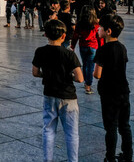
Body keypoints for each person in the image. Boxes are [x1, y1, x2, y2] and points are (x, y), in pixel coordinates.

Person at [32, 19, 83, 162]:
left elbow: (35, 72)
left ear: (46, 35)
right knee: (72, 133)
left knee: (48, 130)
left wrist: (46, 74)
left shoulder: (40, 51)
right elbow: (80, 78)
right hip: (68, 98)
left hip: (49, 95)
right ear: (63, 36)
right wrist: (69, 76)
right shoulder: (69, 54)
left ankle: (47, 160)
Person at [94, 14, 132, 162]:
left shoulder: (103, 50)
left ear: (108, 31)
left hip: (109, 92)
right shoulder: (122, 48)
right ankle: (127, 156)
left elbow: (97, 74)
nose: (98, 29)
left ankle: (110, 157)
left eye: (100, 28)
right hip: (123, 90)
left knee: (111, 127)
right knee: (125, 126)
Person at [71, 5, 99, 95]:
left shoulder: (79, 24)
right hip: (93, 46)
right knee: (91, 66)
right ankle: (88, 85)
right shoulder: (95, 24)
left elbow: (75, 36)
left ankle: (85, 81)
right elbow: (99, 36)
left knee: (85, 64)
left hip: (83, 45)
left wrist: (73, 46)